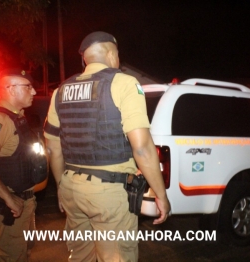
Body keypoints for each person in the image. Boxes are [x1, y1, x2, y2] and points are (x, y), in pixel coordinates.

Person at [44, 31, 171, 261]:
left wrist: (61, 187)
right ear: (112, 54)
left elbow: (52, 147)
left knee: (80, 255)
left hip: (72, 188)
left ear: (85, 59)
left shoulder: (60, 91)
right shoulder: (124, 83)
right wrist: (160, 194)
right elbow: (142, 148)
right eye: (118, 55)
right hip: (108, 193)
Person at [0, 69, 42, 261]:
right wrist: (9, 199)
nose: (34, 92)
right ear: (10, 89)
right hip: (7, 206)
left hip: (24, 201)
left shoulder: (16, 117)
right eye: (28, 87)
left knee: (22, 251)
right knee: (11, 255)